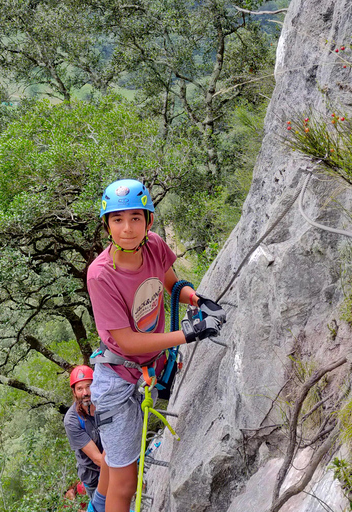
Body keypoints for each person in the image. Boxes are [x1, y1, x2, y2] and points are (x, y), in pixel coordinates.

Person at [86, 179, 226, 512]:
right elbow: (126, 341)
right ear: (107, 224)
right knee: (126, 481)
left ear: (148, 221)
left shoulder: (154, 246)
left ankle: (94, 507)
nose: (127, 228)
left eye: (136, 217)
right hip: (118, 381)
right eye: (118, 219)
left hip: (148, 369)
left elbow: (168, 279)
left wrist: (196, 299)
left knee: (115, 461)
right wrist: (188, 334)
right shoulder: (101, 275)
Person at [64, 365, 104, 501]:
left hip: (113, 459)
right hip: (93, 476)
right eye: (80, 389)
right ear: (74, 392)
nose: (85, 392)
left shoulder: (104, 404)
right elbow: (97, 458)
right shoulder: (72, 420)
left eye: (89, 386)